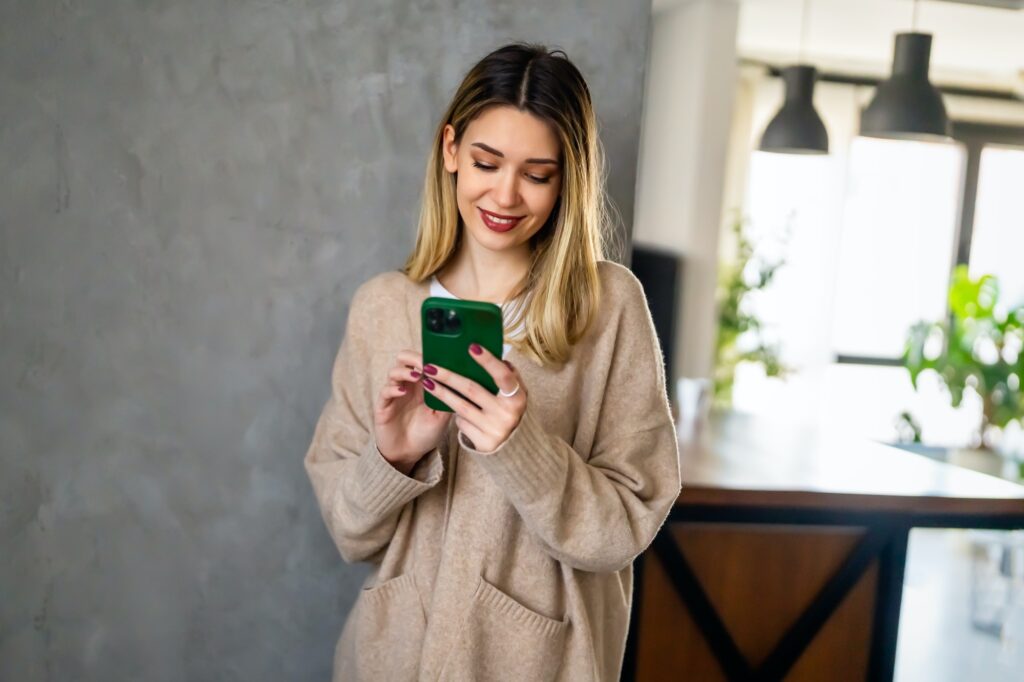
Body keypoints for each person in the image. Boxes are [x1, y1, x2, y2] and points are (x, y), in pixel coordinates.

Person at [303, 41, 681, 682]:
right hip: (391, 657)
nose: (505, 196)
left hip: (538, 662)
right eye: (486, 161)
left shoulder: (608, 307)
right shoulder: (382, 308)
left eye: (537, 174)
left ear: (568, 180)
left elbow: (626, 525)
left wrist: (520, 448)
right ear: (451, 150)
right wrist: (393, 458)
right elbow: (349, 533)